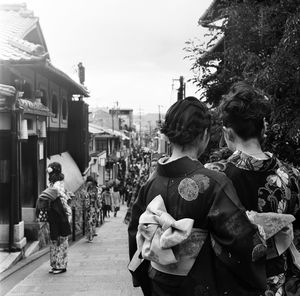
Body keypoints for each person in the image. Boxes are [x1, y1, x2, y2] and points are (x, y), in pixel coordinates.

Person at [128, 97, 267, 296]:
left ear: (168, 135)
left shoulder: (150, 183)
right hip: (200, 283)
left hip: (158, 281)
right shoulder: (213, 182)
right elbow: (241, 241)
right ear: (204, 135)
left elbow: (136, 236)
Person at [205, 82, 300, 295]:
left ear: (227, 133)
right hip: (277, 282)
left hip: (230, 282)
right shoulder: (292, 176)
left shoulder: (213, 175)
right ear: (264, 128)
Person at [36, 162, 71, 274]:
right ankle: (57, 264)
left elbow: (50, 195)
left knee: (59, 238)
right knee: (56, 238)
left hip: (59, 213)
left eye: (49, 172)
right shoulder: (57, 183)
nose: (48, 175)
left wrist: (42, 197)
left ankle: (60, 265)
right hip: (57, 213)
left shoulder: (56, 185)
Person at [84, 176, 98, 242]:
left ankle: (89, 236)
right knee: (92, 221)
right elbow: (96, 198)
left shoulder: (86, 187)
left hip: (88, 207)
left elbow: (85, 196)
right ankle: (91, 235)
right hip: (93, 206)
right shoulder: (95, 188)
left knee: (88, 221)